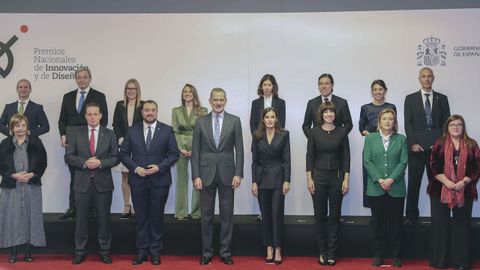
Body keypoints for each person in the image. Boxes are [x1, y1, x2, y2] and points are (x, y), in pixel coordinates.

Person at [120, 100, 179, 265]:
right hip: (138, 180)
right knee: (141, 218)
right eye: (147, 110)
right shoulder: (132, 130)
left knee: (156, 217)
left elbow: (174, 154)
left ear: (157, 112)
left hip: (159, 181)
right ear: (142, 112)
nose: (150, 113)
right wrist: (135, 168)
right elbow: (123, 154)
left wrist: (159, 167)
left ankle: (155, 252)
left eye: (153, 110)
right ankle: (141, 252)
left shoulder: (167, 130)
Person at [192, 88, 244, 265]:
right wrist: (196, 175)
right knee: (206, 216)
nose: (218, 103)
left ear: (226, 101)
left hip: (228, 175)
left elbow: (240, 150)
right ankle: (206, 253)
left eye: (221, 100)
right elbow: (196, 151)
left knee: (226, 216)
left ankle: (225, 252)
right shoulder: (200, 122)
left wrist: (238, 173)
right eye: (215, 100)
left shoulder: (235, 121)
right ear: (210, 100)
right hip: (205, 175)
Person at [65, 102, 120, 265]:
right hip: (82, 184)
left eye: (95, 114)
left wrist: (100, 163)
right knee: (81, 220)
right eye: (89, 114)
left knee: (104, 220)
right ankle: (80, 252)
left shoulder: (109, 134)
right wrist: (84, 162)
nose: (92, 117)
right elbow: (68, 156)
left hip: (103, 184)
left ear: (101, 116)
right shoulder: (76, 133)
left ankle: (104, 251)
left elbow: (116, 157)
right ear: (85, 116)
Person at [428, 115, 479, 270]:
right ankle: (440, 261)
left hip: (465, 189)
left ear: (463, 127)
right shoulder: (440, 143)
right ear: (447, 127)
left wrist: (463, 182)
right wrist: (448, 183)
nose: (456, 127)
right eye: (452, 125)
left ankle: (461, 261)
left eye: (459, 124)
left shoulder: (472, 144)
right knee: (440, 225)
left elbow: (477, 167)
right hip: (440, 189)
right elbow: (433, 165)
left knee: (462, 226)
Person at [58, 66, 109, 220]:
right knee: (75, 176)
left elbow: (104, 119)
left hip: (91, 141)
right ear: (75, 79)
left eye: (85, 77)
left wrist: (98, 139)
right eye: (79, 77)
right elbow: (62, 119)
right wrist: (63, 135)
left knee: (93, 176)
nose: (82, 79)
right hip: (73, 142)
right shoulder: (67, 96)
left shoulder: (99, 96)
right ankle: (73, 208)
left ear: (90, 78)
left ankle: (92, 210)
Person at [404, 67, 450, 226]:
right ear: (419, 79)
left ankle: (439, 216)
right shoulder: (410, 99)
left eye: (429, 76)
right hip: (417, 149)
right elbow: (408, 124)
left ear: (433, 78)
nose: (427, 79)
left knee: (437, 184)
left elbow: (446, 123)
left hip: (437, 150)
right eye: (423, 76)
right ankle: (411, 216)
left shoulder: (442, 98)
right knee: (414, 183)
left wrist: (441, 144)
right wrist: (412, 144)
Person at [306, 101, 349, 266]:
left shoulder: (342, 132)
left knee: (335, 216)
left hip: (337, 178)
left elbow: (346, 157)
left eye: (332, 112)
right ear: (321, 114)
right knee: (320, 216)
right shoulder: (314, 132)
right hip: (318, 177)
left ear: (335, 114)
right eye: (326, 112)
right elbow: (309, 156)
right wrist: (309, 178)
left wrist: (346, 178)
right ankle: (322, 251)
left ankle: (332, 252)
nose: (329, 114)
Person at [363, 109, 407, 267]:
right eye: (384, 119)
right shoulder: (370, 139)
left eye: (391, 119)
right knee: (378, 224)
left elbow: (403, 162)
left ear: (395, 122)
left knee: (396, 225)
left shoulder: (401, 139)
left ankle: (396, 255)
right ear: (379, 122)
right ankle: (378, 255)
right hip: (376, 188)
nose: (388, 121)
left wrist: (390, 180)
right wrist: (380, 180)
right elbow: (367, 161)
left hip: (396, 188)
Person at [0, 114, 47, 263]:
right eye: (17, 125)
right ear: (12, 128)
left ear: (27, 128)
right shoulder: (4, 144)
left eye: (23, 125)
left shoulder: (36, 142)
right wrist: (12, 175)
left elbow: (43, 163)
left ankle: (28, 250)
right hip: (11, 186)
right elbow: (1, 165)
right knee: (11, 217)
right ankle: (13, 251)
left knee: (30, 216)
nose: (20, 129)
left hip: (30, 185)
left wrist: (32, 174)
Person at [251, 107, 290, 265]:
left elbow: (287, 159)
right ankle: (269, 247)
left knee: (276, 213)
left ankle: (278, 248)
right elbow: (254, 161)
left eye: (273, 117)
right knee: (265, 214)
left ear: (277, 119)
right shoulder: (257, 135)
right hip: (261, 179)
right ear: (263, 119)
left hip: (278, 178)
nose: (270, 119)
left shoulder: (284, 134)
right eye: (267, 117)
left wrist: (287, 180)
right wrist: (254, 181)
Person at [249, 74, 286, 222]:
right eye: (264, 84)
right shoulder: (255, 103)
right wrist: (260, 139)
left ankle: (274, 214)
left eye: (270, 85)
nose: (267, 87)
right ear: (261, 87)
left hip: (275, 146)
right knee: (260, 181)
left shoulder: (280, 102)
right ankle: (262, 212)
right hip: (260, 144)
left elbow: (281, 123)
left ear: (273, 87)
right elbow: (252, 124)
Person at [172, 83, 207, 220]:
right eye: (184, 91)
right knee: (182, 179)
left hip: (197, 147)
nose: (187, 93)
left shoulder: (202, 111)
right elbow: (174, 130)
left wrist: (195, 149)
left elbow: (204, 131)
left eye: (189, 91)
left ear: (194, 94)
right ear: (182, 94)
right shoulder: (176, 111)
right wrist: (180, 147)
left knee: (197, 178)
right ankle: (181, 212)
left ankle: (197, 212)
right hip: (180, 147)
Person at [359, 80, 396, 208]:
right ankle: (374, 210)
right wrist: (373, 136)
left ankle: (388, 207)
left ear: (385, 91)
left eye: (380, 89)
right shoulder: (365, 108)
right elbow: (361, 128)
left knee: (389, 174)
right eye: (375, 89)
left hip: (389, 146)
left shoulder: (391, 107)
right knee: (371, 177)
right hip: (372, 146)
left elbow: (394, 126)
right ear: (372, 91)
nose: (378, 92)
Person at [112, 79, 144, 219]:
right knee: (125, 176)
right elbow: (115, 124)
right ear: (125, 90)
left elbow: (146, 124)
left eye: (133, 88)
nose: (131, 91)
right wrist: (120, 138)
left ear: (138, 91)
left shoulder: (143, 105)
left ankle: (137, 206)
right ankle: (127, 205)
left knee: (137, 176)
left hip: (138, 146)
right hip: (123, 145)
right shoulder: (120, 105)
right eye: (128, 88)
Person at [302, 73, 353, 138]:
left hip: (337, 144)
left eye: (327, 83)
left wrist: (339, 137)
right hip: (317, 145)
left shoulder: (342, 103)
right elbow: (306, 125)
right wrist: (313, 139)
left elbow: (348, 125)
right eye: (321, 84)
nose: (324, 86)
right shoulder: (311, 103)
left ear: (332, 85)